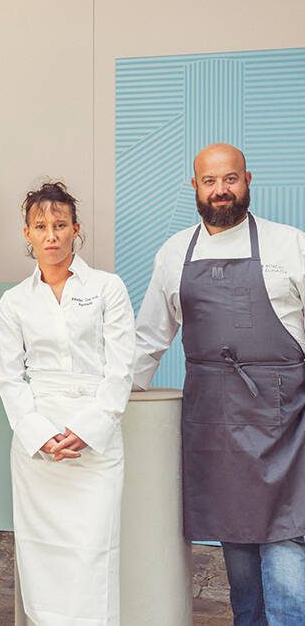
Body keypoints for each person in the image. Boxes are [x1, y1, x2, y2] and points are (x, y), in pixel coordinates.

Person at [134, 143, 305, 625]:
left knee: (287, 534)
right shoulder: (174, 253)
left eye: (230, 179)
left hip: (285, 418)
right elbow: (148, 339)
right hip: (215, 419)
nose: (220, 190)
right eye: (209, 181)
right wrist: (109, 405)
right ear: (195, 186)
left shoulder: (290, 245)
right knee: (236, 537)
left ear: (248, 180)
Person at [0, 182, 135, 625]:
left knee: (93, 551)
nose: (51, 235)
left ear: (76, 229)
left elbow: (120, 370)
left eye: (59, 224)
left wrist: (89, 429)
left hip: (96, 440)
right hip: (38, 445)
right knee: (41, 554)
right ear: (27, 233)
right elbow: (8, 378)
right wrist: (40, 435)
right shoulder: (14, 301)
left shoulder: (108, 288)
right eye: (40, 226)